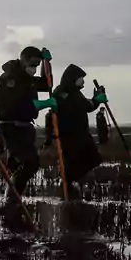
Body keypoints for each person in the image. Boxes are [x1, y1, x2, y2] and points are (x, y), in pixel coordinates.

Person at [0, 46, 56, 209]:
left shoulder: (28, 78)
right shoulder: (10, 78)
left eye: (37, 65)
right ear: (23, 60)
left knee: (20, 164)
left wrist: (46, 63)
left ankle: (12, 200)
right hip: (10, 126)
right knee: (30, 163)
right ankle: (11, 198)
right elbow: (15, 105)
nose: (34, 68)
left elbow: (45, 84)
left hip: (25, 127)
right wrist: (41, 104)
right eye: (32, 64)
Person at [50, 65, 107, 193]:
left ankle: (69, 180)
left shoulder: (75, 92)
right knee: (74, 160)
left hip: (82, 134)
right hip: (69, 135)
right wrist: (95, 100)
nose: (83, 81)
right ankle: (66, 183)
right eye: (81, 78)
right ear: (73, 78)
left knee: (94, 158)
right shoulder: (61, 92)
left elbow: (88, 106)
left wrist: (96, 99)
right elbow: (76, 106)